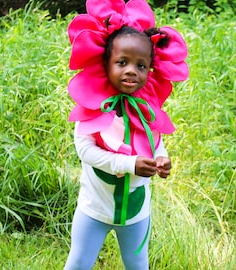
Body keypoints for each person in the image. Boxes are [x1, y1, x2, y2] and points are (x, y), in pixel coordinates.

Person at [64, 0, 188, 269]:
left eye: (141, 65)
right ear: (105, 63)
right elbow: (85, 150)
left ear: (150, 70)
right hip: (94, 209)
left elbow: (155, 143)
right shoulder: (94, 105)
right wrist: (129, 164)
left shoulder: (147, 110)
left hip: (135, 214)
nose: (131, 70)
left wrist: (162, 160)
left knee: (137, 264)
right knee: (78, 263)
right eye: (122, 62)